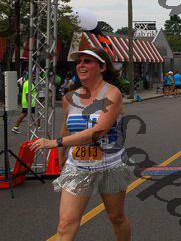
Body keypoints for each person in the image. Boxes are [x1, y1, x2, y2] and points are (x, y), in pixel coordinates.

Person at [30, 47, 134, 241]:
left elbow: (99, 131)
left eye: (87, 61)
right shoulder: (69, 98)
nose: (81, 65)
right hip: (78, 166)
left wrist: (55, 143)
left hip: (110, 165)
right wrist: (62, 161)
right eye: (79, 62)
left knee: (116, 217)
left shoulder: (112, 93)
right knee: (65, 224)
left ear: (102, 67)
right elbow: (66, 129)